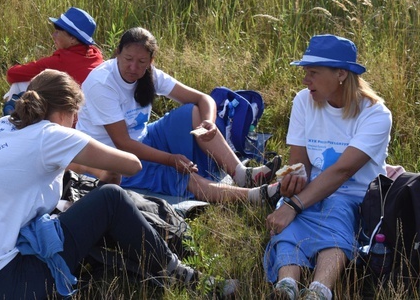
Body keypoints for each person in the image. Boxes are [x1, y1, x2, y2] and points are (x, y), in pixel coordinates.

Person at [0, 69, 236, 298]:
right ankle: (181, 274)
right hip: (3, 284)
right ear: (67, 112)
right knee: (111, 199)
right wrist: (108, 175)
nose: (76, 122)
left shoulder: (3, 126)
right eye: (76, 116)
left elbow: (45, 162)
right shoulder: (53, 135)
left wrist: (86, 165)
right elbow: (131, 164)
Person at [75, 27, 281, 204]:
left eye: (141, 62)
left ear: (151, 61)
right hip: (110, 157)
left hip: (144, 138)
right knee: (183, 177)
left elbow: (203, 99)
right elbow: (123, 143)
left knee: (194, 112)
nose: (133, 67)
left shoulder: (150, 74)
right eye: (128, 59)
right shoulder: (102, 84)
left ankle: (241, 174)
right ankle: (256, 196)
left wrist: (209, 123)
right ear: (117, 53)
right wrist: (170, 159)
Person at [264, 35, 392, 300]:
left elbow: (343, 172)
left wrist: (294, 204)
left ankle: (320, 290)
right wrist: (294, 183)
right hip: (311, 192)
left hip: (354, 198)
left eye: (312, 72)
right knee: (286, 226)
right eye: (304, 72)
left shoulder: (375, 114)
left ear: (341, 74)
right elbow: (300, 165)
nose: (304, 80)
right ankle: (286, 285)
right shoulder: (303, 101)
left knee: (335, 213)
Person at [4, 7, 103, 108]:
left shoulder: (61, 61)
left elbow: (12, 74)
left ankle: (10, 118)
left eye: (58, 32)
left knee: (19, 83)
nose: (53, 35)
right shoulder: (96, 54)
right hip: (94, 114)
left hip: (72, 117)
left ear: (72, 39)